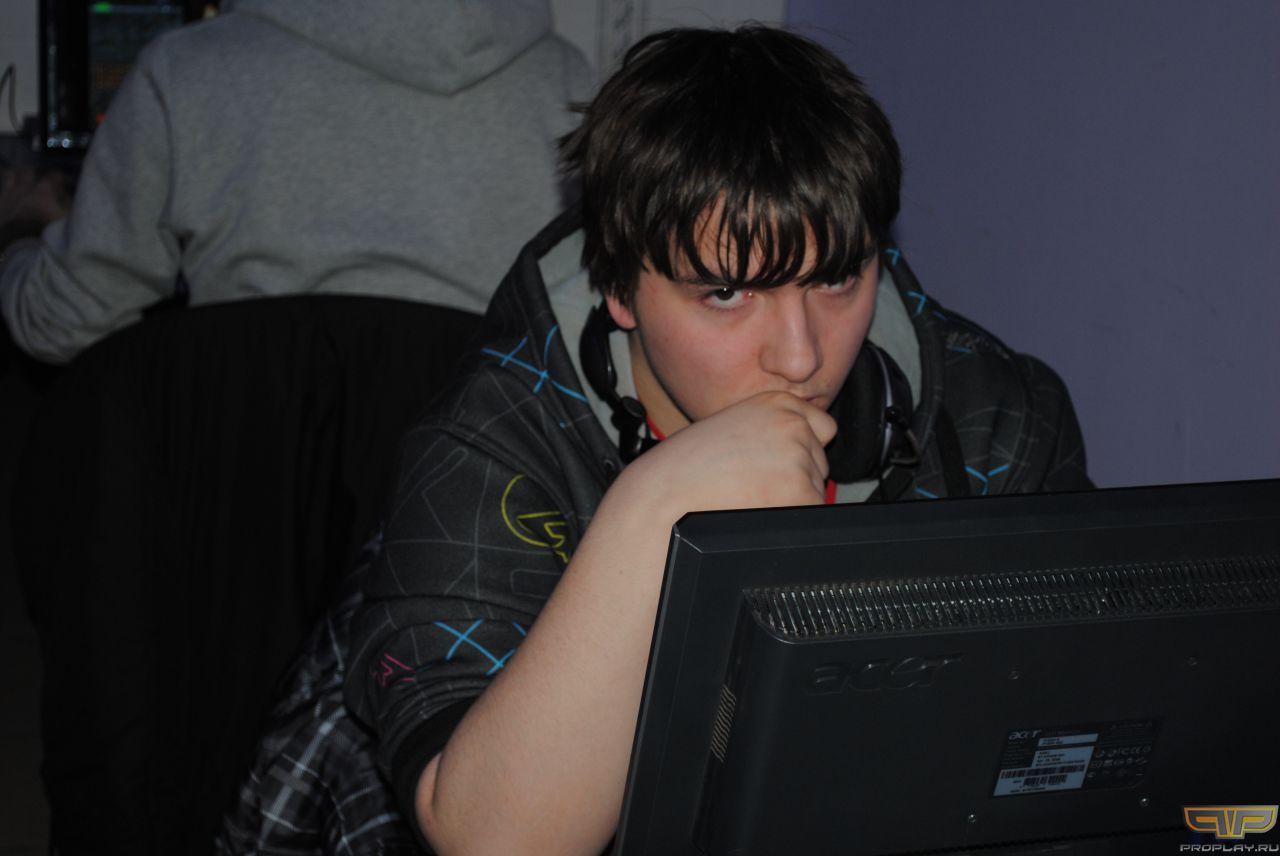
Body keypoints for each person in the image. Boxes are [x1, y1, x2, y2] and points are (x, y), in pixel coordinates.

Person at [222, 25, 1091, 854]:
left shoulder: (995, 417)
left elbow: (1079, 733)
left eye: (836, 279)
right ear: (620, 290)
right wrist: (658, 500)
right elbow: (495, 838)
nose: (800, 356)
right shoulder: (486, 447)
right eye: (725, 294)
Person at [0, 0, 590, 364]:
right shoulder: (566, 81)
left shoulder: (186, 69)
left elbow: (64, 322)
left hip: (246, 493)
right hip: (478, 498)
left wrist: (20, 231)